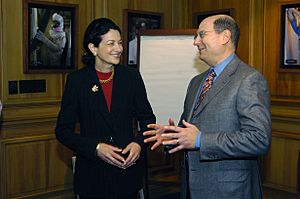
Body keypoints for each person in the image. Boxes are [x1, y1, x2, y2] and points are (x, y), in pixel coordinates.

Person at [143, 15, 271, 199]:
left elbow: (258, 139)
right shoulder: (196, 82)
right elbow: (188, 132)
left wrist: (200, 140)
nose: (196, 42)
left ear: (225, 36)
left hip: (230, 192)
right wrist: (171, 137)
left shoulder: (248, 79)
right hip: (191, 189)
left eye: (201, 35)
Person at [55, 18, 155, 199]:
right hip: (92, 178)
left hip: (127, 176)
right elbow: (63, 131)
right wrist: (96, 147)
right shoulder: (77, 81)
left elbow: (148, 120)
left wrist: (138, 144)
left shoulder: (131, 77)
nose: (119, 48)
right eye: (111, 43)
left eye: (119, 42)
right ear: (93, 48)